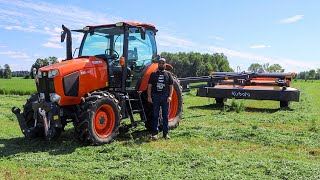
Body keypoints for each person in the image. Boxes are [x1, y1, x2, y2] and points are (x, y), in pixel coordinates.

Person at [147, 57, 173, 140]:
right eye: (160, 63)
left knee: (165, 115)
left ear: (165, 64)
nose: (161, 64)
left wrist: (170, 96)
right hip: (156, 96)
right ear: (158, 64)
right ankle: (155, 133)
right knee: (155, 115)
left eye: (163, 63)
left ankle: (165, 134)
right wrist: (149, 96)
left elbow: (171, 87)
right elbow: (149, 86)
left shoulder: (168, 74)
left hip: (165, 97)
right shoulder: (153, 74)